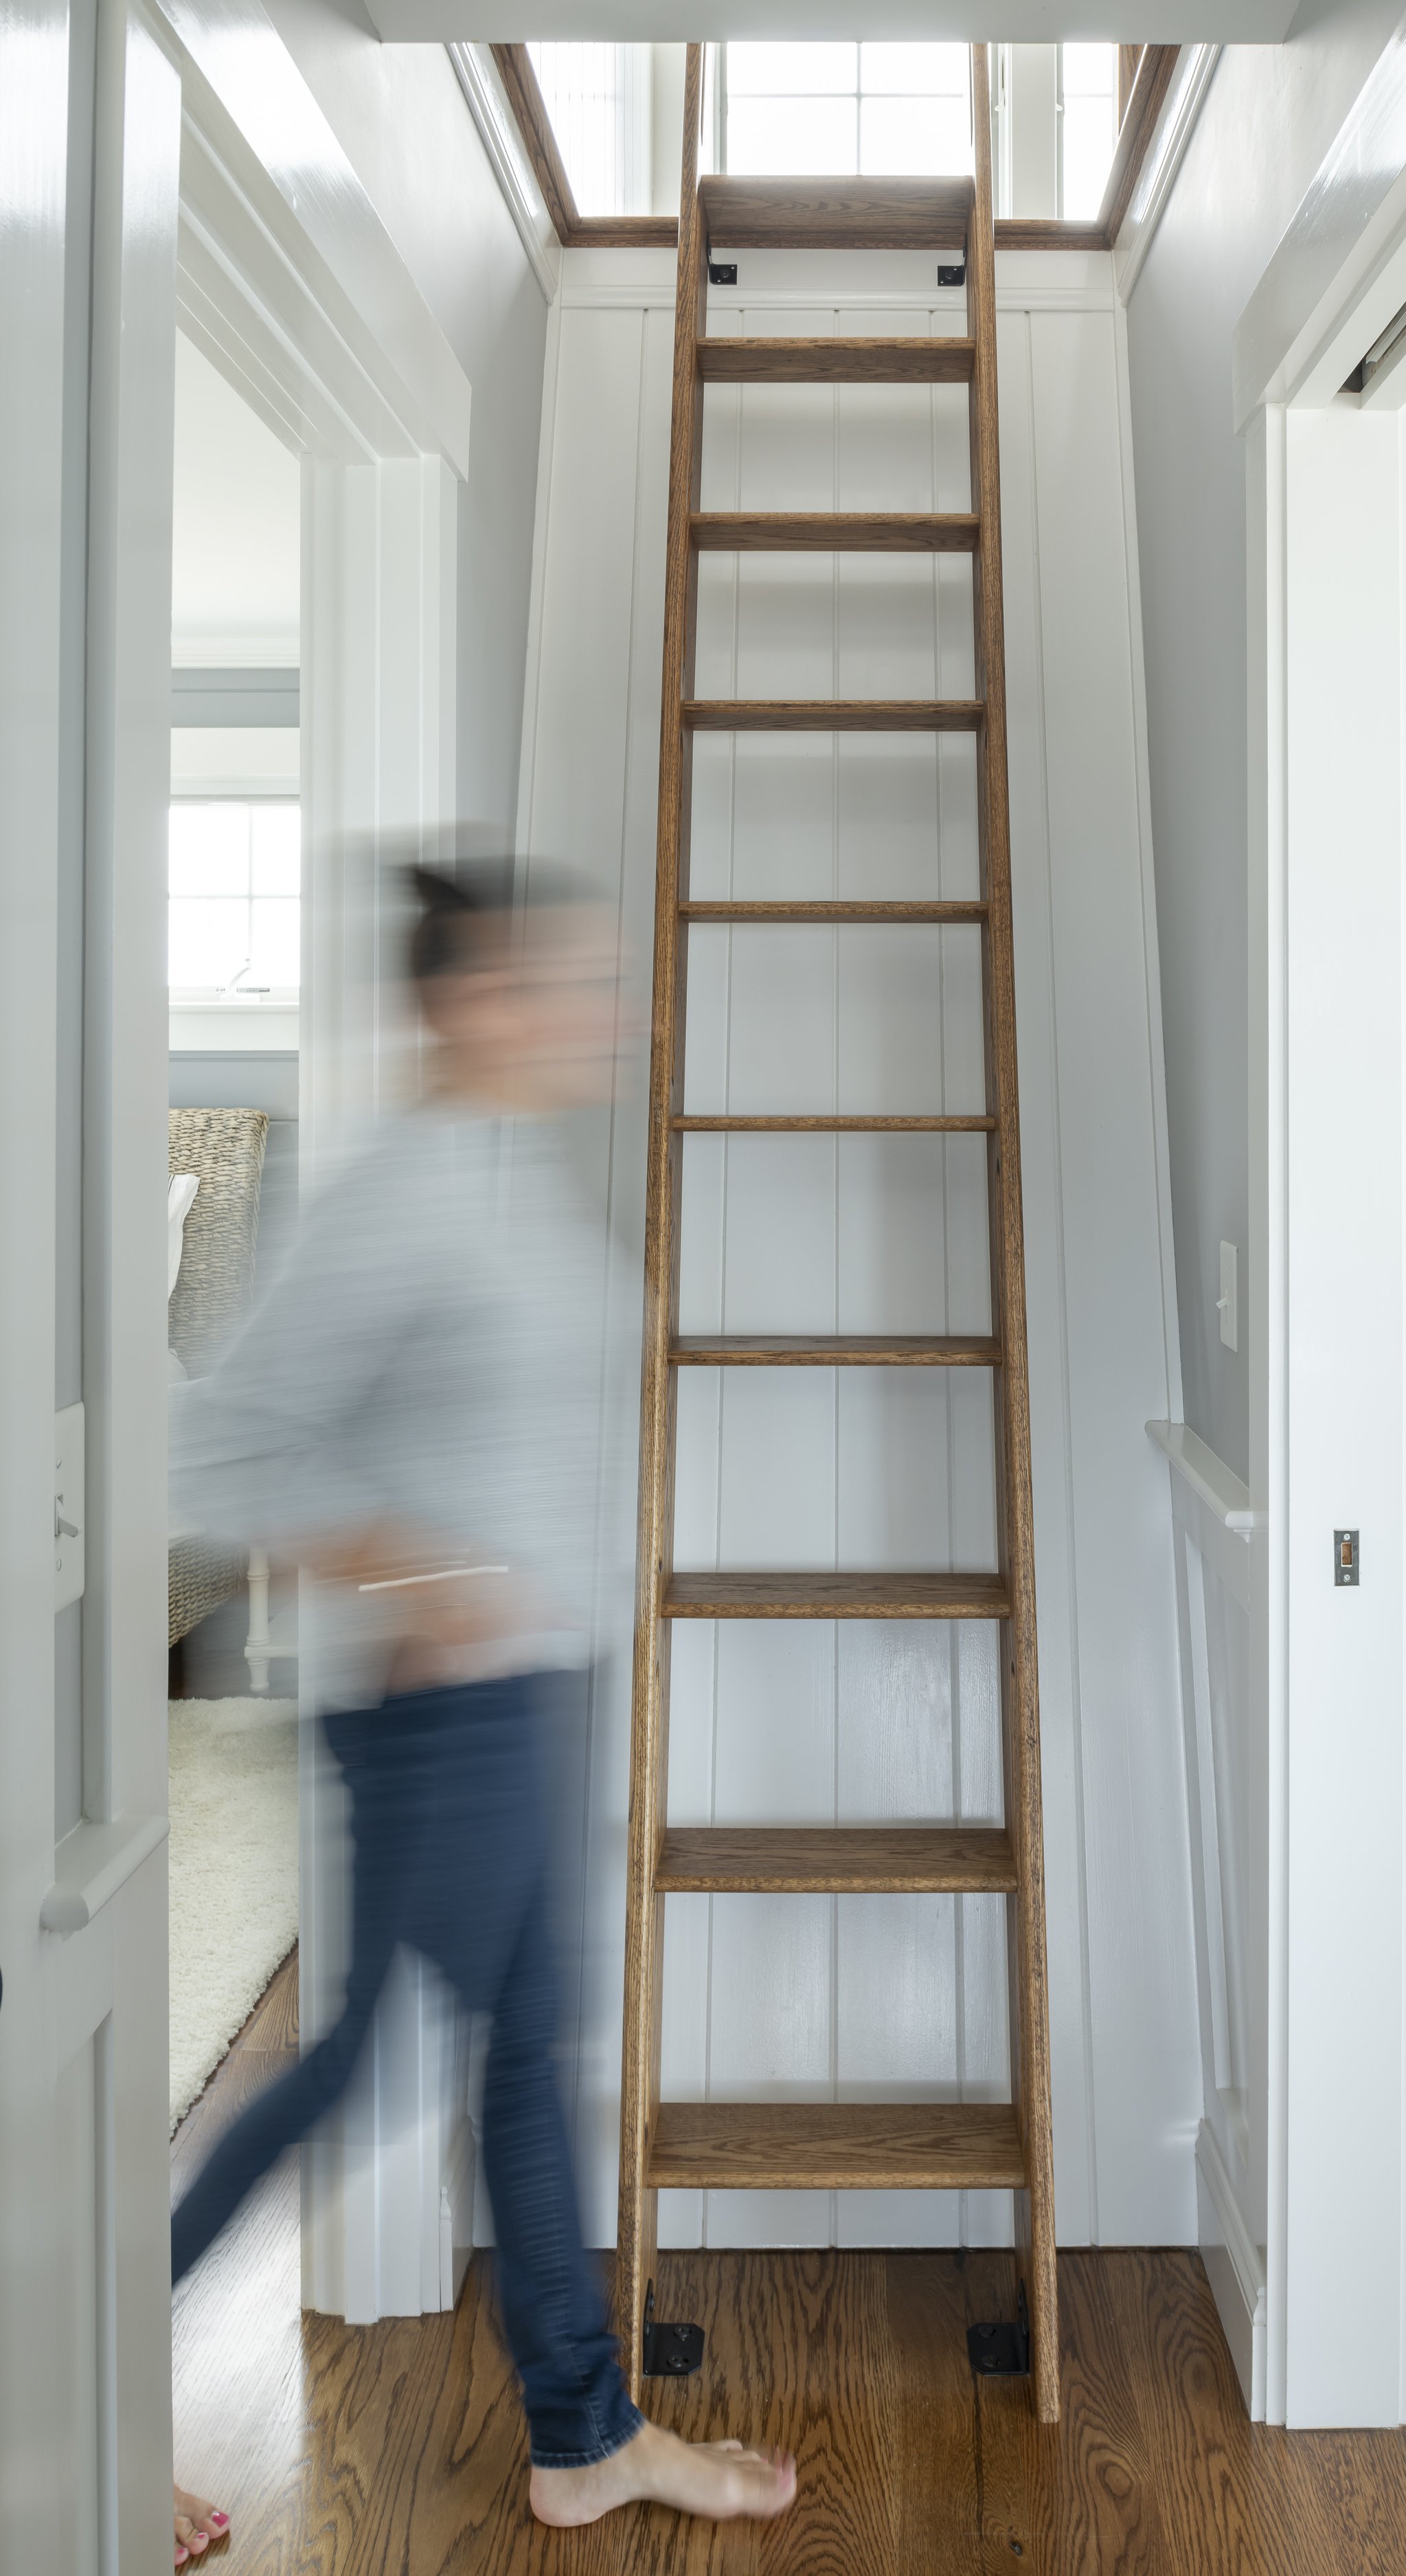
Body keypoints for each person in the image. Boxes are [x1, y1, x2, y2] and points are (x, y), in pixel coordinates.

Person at [167, 862, 795, 2566]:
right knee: (360, 2070)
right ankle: (52, 2382)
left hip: (535, 1697)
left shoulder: (508, 1174)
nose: (588, 1013)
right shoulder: (401, 1191)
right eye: (546, 986)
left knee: (524, 2063)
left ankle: (583, 2441)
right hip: (446, 1717)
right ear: (456, 1002)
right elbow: (210, 1444)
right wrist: (409, 1578)